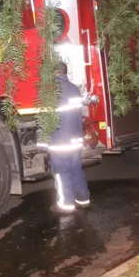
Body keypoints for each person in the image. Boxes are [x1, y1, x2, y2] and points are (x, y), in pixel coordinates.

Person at [47, 61, 91, 213]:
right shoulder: (74, 89)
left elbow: (47, 120)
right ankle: (83, 198)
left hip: (60, 141)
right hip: (75, 140)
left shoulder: (52, 93)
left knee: (61, 171)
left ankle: (66, 204)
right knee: (76, 169)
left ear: (53, 73)